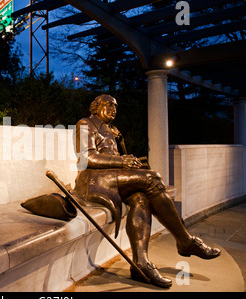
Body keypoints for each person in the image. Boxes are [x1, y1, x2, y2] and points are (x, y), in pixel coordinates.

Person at [73, 94, 220, 288]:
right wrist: (121, 161)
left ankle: (140, 263)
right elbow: (86, 158)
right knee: (152, 178)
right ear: (95, 106)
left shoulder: (112, 130)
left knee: (140, 198)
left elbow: (117, 157)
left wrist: (124, 152)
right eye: (108, 105)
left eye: (116, 106)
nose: (113, 109)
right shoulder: (85, 123)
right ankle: (185, 241)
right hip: (93, 180)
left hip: (111, 178)